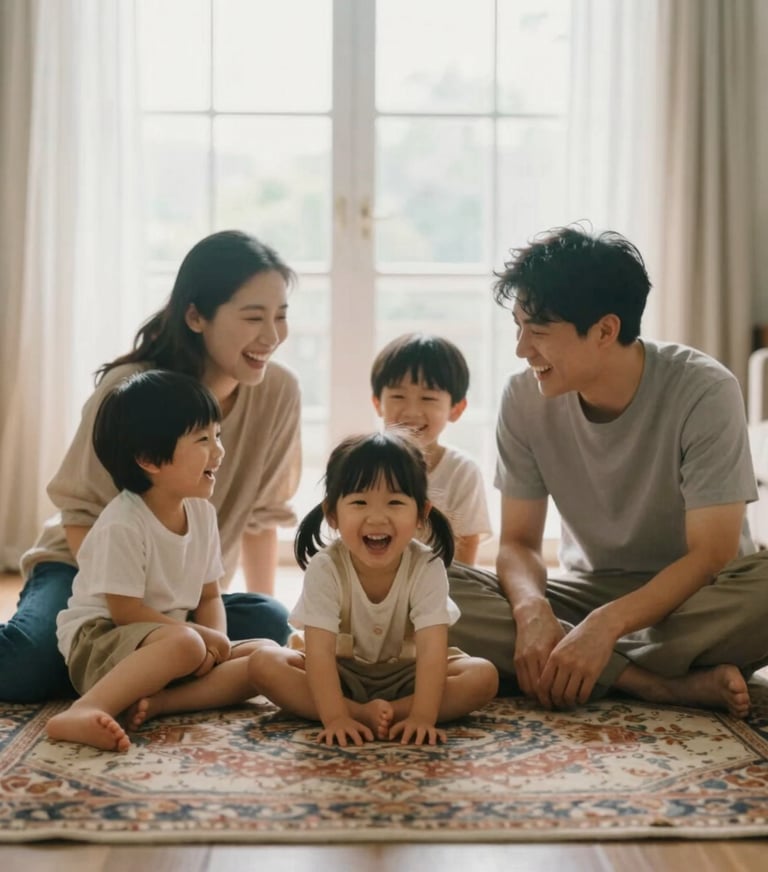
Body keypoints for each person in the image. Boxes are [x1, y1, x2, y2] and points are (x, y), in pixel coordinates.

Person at [446, 225, 768, 719]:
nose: (521, 349)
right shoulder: (523, 397)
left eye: (538, 332)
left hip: (698, 598)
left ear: (604, 330)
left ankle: (582, 662)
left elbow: (711, 555)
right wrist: (531, 611)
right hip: (589, 591)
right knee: (426, 581)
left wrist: (604, 628)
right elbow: (519, 543)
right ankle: (655, 683)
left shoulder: (704, 389)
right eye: (518, 328)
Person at [1, 230, 301, 702]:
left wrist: (204, 632)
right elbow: (79, 512)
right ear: (196, 316)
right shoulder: (131, 391)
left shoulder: (279, 391)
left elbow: (262, 515)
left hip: (178, 596)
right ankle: (114, 668)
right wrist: (137, 620)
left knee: (270, 622)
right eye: (252, 317)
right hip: (86, 577)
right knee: (22, 669)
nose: (272, 336)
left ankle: (142, 672)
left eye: (280, 316)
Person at [47, 371, 268, 751]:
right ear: (149, 459)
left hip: (169, 641)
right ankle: (86, 709)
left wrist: (218, 644)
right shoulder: (123, 522)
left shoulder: (202, 514)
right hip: (101, 642)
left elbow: (209, 596)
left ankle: (163, 702)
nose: (219, 451)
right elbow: (125, 613)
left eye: (217, 435)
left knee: (264, 655)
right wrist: (201, 639)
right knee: (187, 644)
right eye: (203, 440)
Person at [244, 431, 498, 746]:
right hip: (339, 675)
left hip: (410, 676)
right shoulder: (325, 567)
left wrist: (422, 716)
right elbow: (320, 654)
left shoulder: (427, 566)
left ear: (421, 514)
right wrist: (336, 717)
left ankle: (394, 712)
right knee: (263, 663)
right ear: (332, 515)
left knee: (482, 676)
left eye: (395, 502)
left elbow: (432, 652)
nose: (377, 518)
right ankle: (360, 714)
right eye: (360, 502)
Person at [371, 333, 492, 564]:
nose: (411, 411)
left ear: (456, 409)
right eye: (398, 396)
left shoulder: (462, 472)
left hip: (442, 581)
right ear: (377, 403)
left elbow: (464, 560)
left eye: (428, 398)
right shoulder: (360, 464)